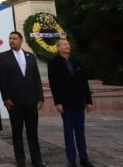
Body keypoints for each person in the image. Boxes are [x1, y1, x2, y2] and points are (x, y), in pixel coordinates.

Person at [0, 31, 46, 167]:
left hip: (31, 101)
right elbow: (2, 80)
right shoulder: (3, 57)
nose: (11, 41)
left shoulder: (30, 56)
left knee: (33, 132)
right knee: (17, 132)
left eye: (14, 38)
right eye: (10, 38)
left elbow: (36, 78)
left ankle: (37, 160)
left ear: (21, 40)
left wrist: (40, 97)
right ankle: (20, 160)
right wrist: (6, 98)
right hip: (14, 102)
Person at [48, 39, 95, 167]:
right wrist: (57, 102)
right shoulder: (53, 63)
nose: (67, 46)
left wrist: (88, 101)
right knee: (69, 132)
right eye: (64, 44)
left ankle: (84, 159)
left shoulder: (76, 62)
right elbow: (54, 84)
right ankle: (72, 160)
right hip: (65, 104)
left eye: (68, 44)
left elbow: (84, 82)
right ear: (58, 48)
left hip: (79, 102)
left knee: (80, 131)